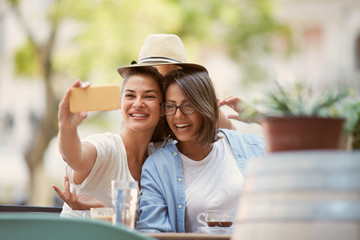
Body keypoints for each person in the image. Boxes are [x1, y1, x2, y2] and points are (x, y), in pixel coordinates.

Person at [136, 66, 266, 232]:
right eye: (170, 106)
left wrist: (263, 120)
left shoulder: (246, 146)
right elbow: (152, 231)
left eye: (188, 105)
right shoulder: (157, 167)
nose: (178, 116)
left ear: (205, 105)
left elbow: (304, 155)